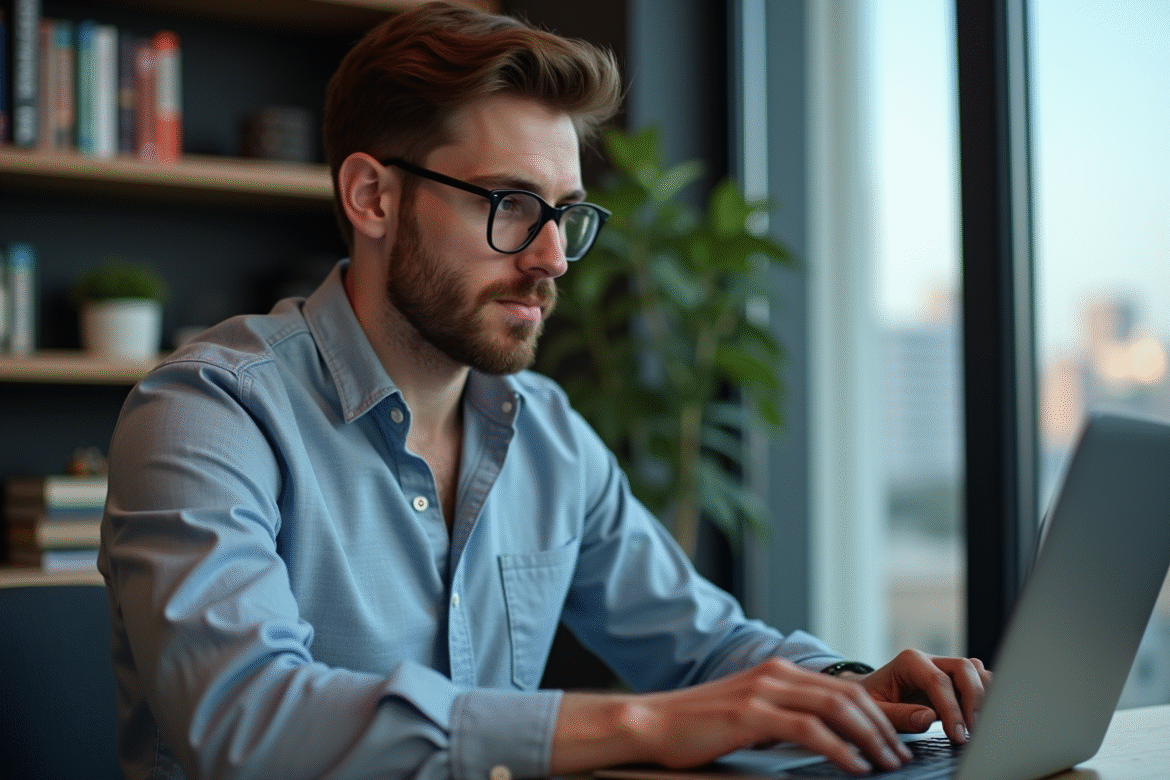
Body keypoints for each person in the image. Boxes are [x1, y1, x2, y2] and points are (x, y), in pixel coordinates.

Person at [99, 3, 990, 779]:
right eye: (510, 204)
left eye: (564, 213)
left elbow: (703, 645)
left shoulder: (548, 435)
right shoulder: (210, 413)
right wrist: (640, 722)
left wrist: (844, 687)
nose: (552, 258)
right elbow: (246, 722)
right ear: (373, 197)